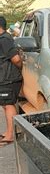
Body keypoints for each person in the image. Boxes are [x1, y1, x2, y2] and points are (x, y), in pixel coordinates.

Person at [0, 16, 22, 147]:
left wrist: (19, 69)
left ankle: (11, 135)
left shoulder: (5, 40)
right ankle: (9, 131)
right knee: (5, 104)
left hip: (9, 79)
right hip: (4, 78)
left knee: (8, 105)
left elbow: (16, 59)